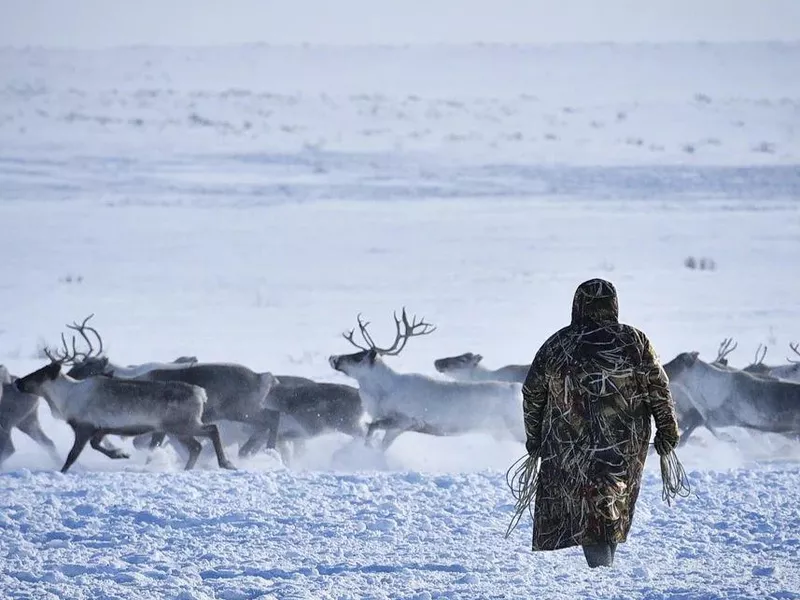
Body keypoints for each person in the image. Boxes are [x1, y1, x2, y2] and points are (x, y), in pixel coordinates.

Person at [521, 278, 680, 568]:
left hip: (570, 448)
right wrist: (668, 431)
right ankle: (604, 573)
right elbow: (659, 389)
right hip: (624, 447)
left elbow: (532, 393)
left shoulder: (558, 344)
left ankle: (602, 575)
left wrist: (535, 439)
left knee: (589, 510)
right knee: (610, 506)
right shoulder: (635, 342)